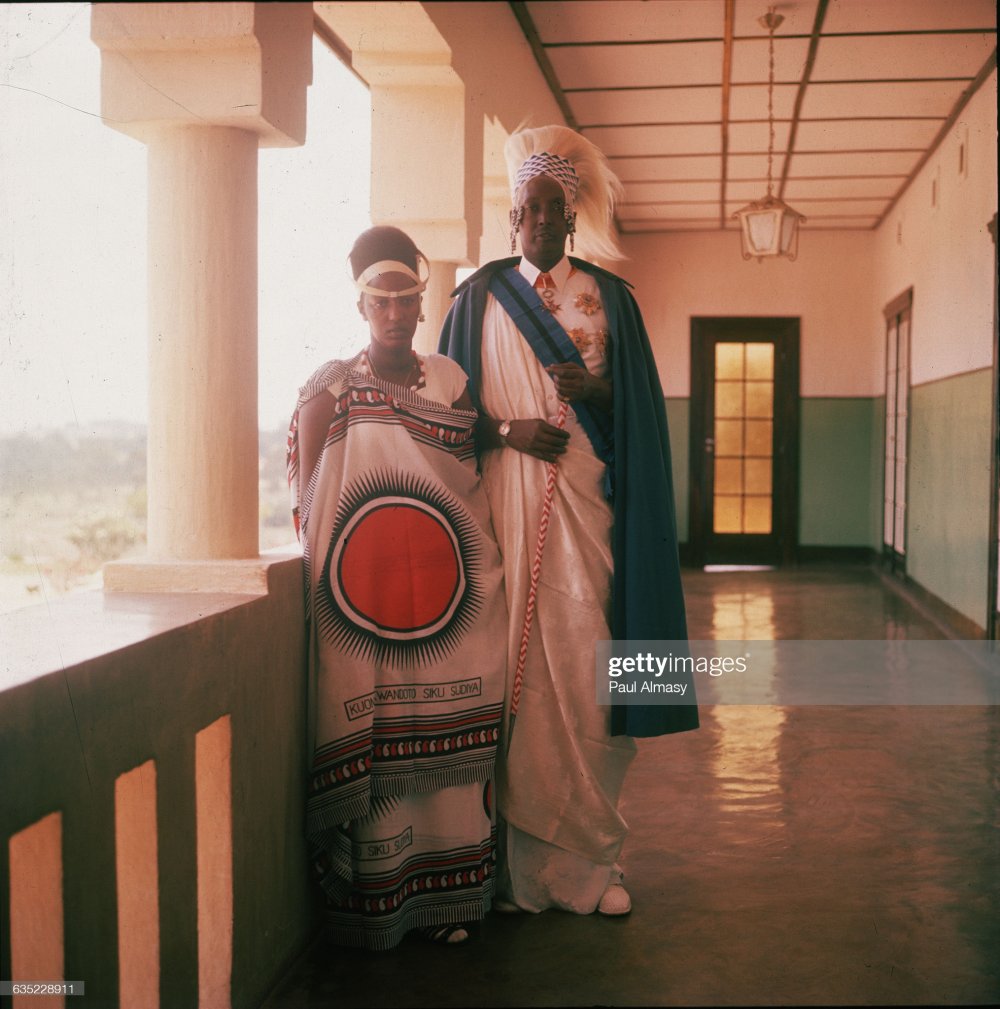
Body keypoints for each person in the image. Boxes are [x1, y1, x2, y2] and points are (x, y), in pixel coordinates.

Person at [439, 125, 698, 917]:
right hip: (505, 513)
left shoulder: (609, 298)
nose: (544, 220)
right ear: (513, 218)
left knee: (591, 670)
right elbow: (447, 415)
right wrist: (507, 430)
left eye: (556, 207)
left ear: (572, 217)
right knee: (512, 679)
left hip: (591, 511)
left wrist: (598, 392)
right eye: (531, 207)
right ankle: (514, 872)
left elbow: (639, 409)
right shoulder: (477, 299)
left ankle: (592, 861)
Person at [288, 226, 507, 950]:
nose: (393, 313)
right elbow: (312, 505)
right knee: (384, 755)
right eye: (380, 301)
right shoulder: (333, 387)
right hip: (370, 612)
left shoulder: (449, 381)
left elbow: (469, 477)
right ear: (360, 306)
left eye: (405, 300)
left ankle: (452, 902)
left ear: (420, 304)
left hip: (452, 600)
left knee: (452, 756)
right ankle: (385, 904)